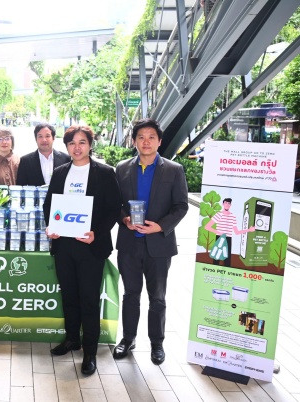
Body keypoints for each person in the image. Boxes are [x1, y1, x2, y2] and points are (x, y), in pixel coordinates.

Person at [43, 125, 121, 376]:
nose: (77, 148)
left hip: (91, 246)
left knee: (88, 299)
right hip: (64, 245)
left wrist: (97, 233)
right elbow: (49, 205)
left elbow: (114, 208)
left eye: (82, 142)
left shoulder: (105, 172)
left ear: (90, 145)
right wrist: (51, 226)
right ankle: (72, 339)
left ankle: (90, 352)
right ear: (66, 146)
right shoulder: (60, 172)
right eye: (72, 143)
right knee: (69, 296)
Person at [112, 118, 188, 366]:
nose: (146, 142)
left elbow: (181, 206)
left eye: (151, 137)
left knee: (157, 297)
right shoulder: (122, 168)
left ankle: (157, 343)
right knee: (130, 294)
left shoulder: (174, 170)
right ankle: (128, 338)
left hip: (159, 246)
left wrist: (161, 226)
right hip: (129, 244)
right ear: (134, 141)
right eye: (141, 137)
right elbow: (114, 203)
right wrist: (124, 218)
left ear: (159, 141)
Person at [204, 198, 255, 267]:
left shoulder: (233, 216)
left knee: (227, 259)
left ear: (230, 205)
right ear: (223, 204)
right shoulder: (219, 214)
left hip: (228, 238)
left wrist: (249, 230)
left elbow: (236, 232)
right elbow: (207, 227)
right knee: (216, 256)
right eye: (226, 203)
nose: (227, 205)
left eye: (229, 203)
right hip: (219, 237)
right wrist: (218, 232)